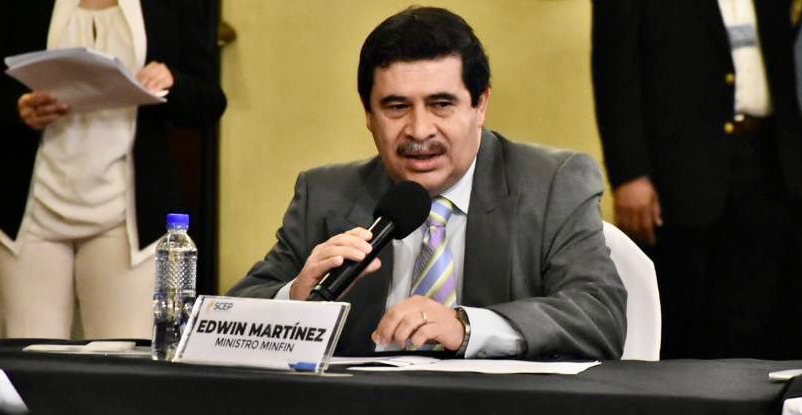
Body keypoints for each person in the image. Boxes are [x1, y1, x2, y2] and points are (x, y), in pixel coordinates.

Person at [229, 6, 625, 360]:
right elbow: (230, 319)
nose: (419, 130)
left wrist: (468, 327)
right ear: (368, 114)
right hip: (359, 414)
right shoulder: (326, 195)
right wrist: (296, 298)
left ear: (480, 105)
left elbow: (598, 314)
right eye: (397, 107)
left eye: (441, 104)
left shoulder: (553, 184)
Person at [0, 0, 226, 339]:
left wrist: (173, 82)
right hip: (25, 215)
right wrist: (17, 110)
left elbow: (209, 100)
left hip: (130, 218)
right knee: (28, 358)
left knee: (124, 362)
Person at [591, 0, 802, 359]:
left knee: (755, 330)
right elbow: (615, 68)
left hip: (767, 161)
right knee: (684, 331)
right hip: (678, 174)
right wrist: (629, 174)